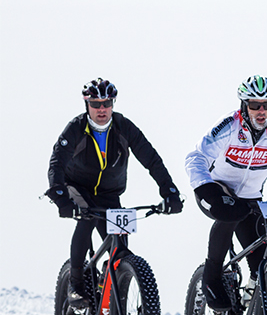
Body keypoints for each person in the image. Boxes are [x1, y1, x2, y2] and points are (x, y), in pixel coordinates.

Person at [45, 77, 183, 308]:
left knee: (120, 243)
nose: (102, 109)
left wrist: (169, 191)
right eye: (96, 104)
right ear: (87, 105)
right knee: (87, 217)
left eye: (107, 103)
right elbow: (57, 162)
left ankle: (112, 285)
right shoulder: (77, 128)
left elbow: (150, 158)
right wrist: (59, 196)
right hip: (77, 187)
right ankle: (76, 283)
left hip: (109, 193)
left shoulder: (123, 126)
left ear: (113, 103)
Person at [185, 75, 267, 312]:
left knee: (261, 263)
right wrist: (204, 187)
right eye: (255, 105)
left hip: (252, 196)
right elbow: (196, 157)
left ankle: (253, 294)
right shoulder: (229, 126)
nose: (261, 111)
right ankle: (211, 276)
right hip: (217, 188)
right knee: (229, 214)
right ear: (244, 105)